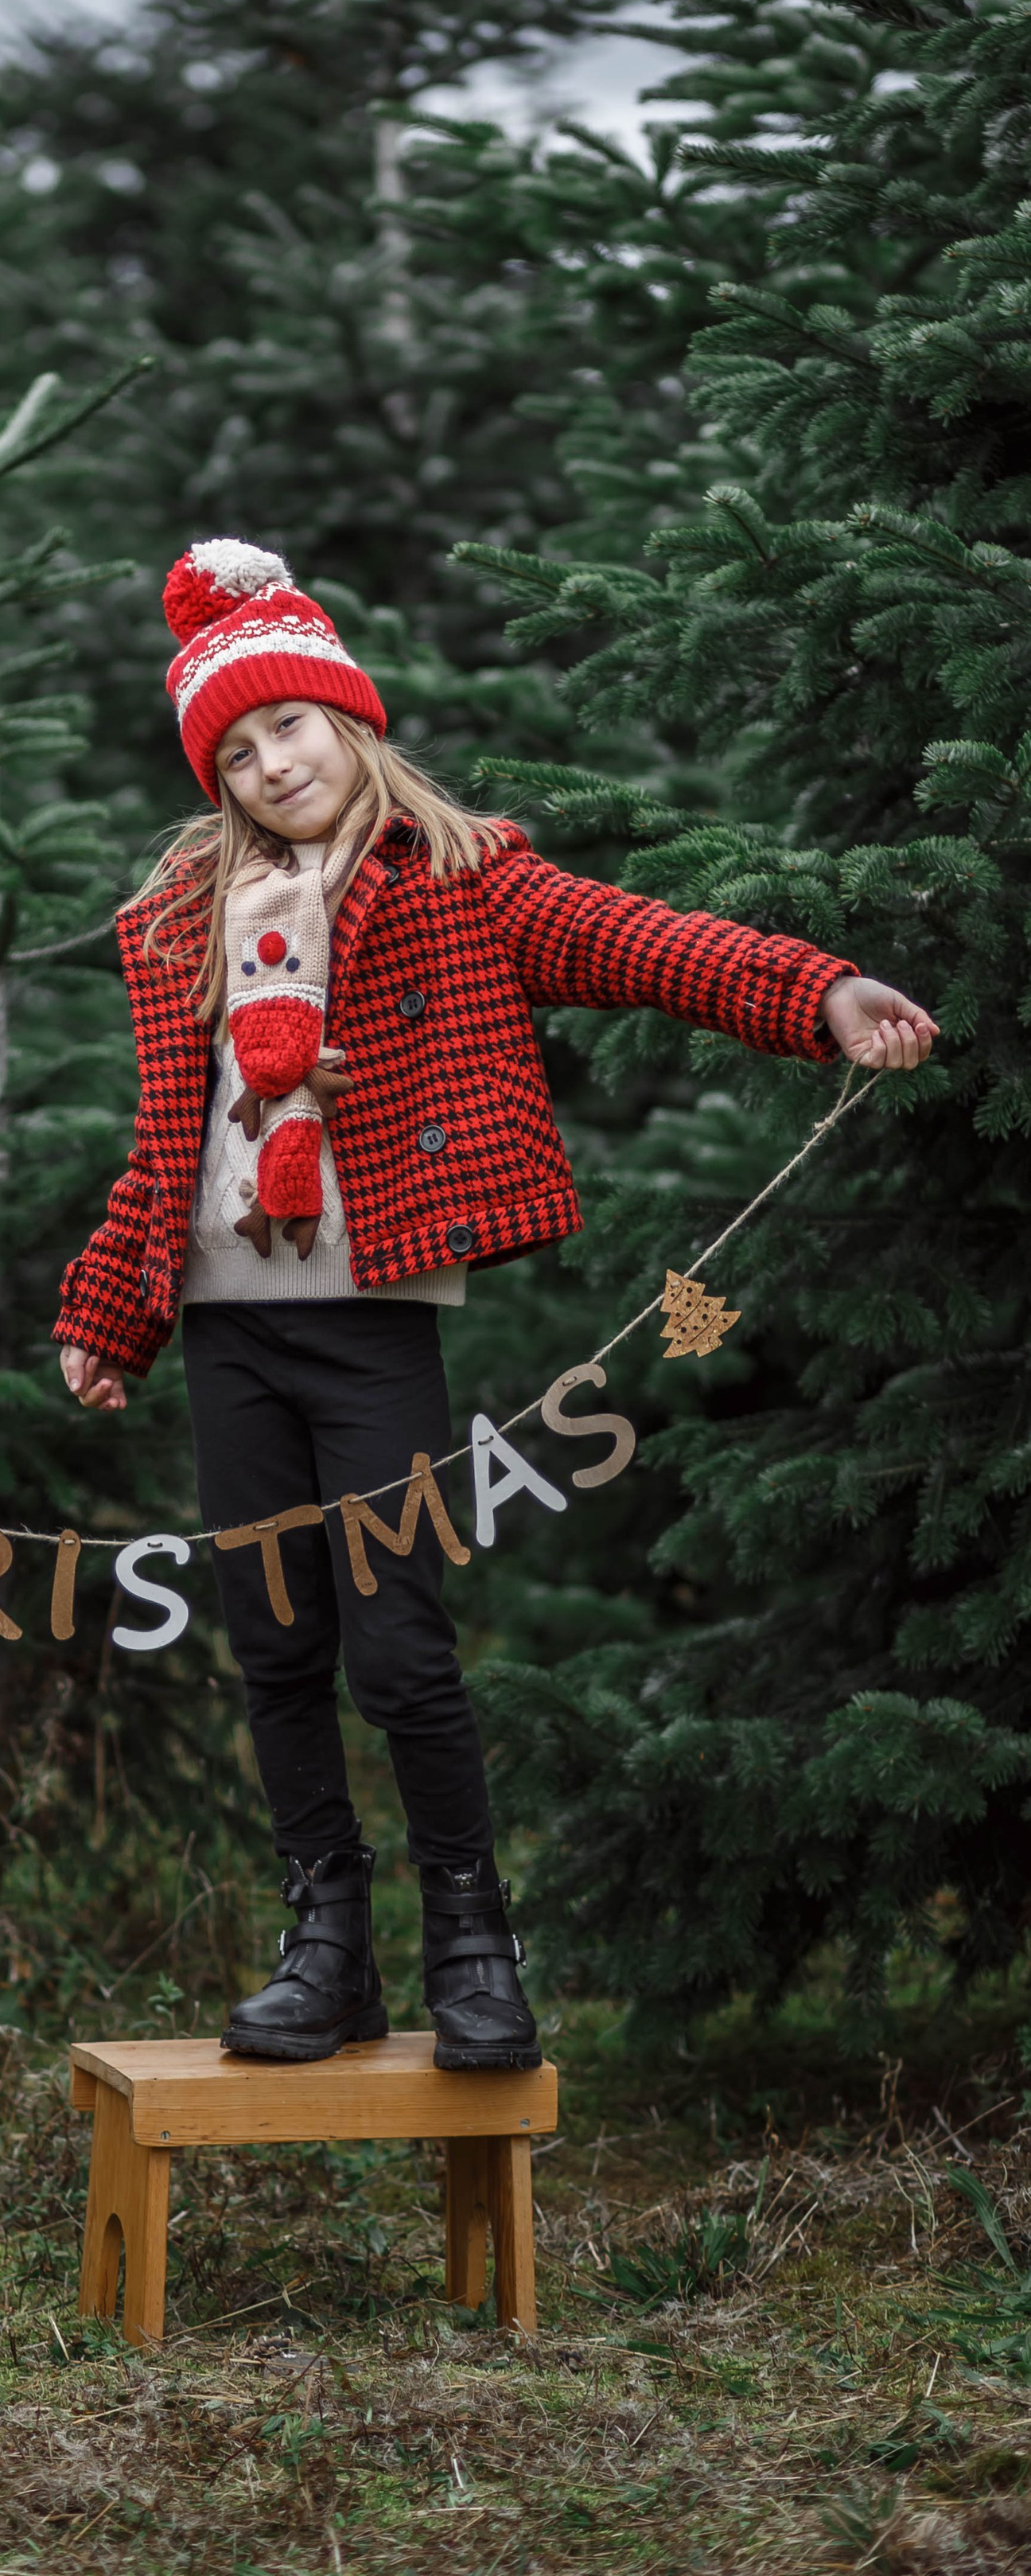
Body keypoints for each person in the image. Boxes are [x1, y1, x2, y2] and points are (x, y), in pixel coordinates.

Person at [53, 540, 936, 2071]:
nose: (273, 766)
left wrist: (817, 991)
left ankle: (473, 1939)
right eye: (238, 750)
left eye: (291, 728)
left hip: (369, 1315)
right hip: (222, 1320)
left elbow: (649, 942)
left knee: (396, 1647)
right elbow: (166, 1144)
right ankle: (326, 1946)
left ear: (350, 717)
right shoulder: (186, 916)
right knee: (275, 1639)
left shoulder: (461, 884)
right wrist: (106, 1307)